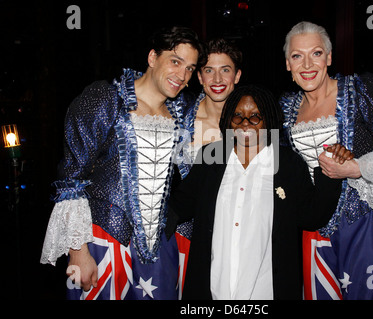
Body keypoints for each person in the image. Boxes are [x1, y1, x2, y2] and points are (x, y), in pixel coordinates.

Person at [40, 26, 206, 300]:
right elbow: (71, 180)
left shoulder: (183, 114)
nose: (182, 75)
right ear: (152, 57)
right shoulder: (105, 100)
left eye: (189, 68)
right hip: (103, 240)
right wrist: (78, 251)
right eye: (175, 62)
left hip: (159, 245)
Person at [165, 84, 350, 300]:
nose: (245, 123)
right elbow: (182, 203)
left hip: (267, 291)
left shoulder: (287, 163)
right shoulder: (211, 156)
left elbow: (312, 216)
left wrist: (331, 171)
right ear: (228, 120)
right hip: (213, 289)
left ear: (268, 120)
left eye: (255, 116)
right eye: (238, 116)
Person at [280, 21, 373, 300]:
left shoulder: (361, 89)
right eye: (296, 56)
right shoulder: (286, 109)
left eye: (316, 53)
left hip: (362, 224)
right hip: (313, 228)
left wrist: (355, 167)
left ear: (329, 57)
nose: (307, 64)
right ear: (288, 65)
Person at [173, 38, 243, 297]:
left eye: (225, 69)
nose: (217, 78)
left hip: (236, 235)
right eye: (208, 70)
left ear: (237, 75)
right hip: (185, 234)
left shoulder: (253, 121)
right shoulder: (179, 118)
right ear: (199, 77)